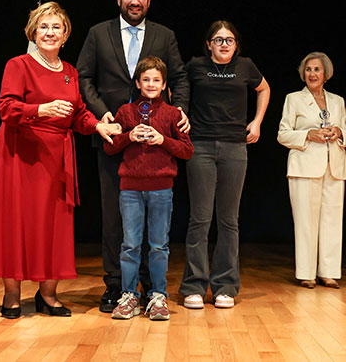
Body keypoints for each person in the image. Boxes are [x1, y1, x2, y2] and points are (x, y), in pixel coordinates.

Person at [0, 1, 121, 319]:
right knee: (16, 222)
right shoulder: (19, 65)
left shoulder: (70, 72)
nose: (50, 32)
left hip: (56, 159)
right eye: (44, 27)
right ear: (33, 32)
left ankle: (48, 295)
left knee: (53, 225)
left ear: (66, 35)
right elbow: (6, 108)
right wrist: (39, 110)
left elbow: (77, 113)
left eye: (57, 27)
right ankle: (12, 295)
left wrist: (98, 125)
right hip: (20, 155)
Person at [77, 0, 190, 312]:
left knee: (153, 223)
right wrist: (102, 115)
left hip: (155, 144)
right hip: (113, 135)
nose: (135, 1)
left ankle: (150, 287)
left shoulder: (164, 35)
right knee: (114, 217)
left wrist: (179, 110)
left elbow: (180, 76)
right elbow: (84, 77)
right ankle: (117, 286)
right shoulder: (98, 33)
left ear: (149, 1)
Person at [179, 20, 270, 309]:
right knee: (200, 219)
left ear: (236, 44)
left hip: (235, 147)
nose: (224, 44)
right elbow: (176, 89)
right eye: (218, 40)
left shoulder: (245, 66)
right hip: (201, 147)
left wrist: (257, 121)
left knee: (229, 220)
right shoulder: (195, 66)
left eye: (229, 40)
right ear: (208, 44)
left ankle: (225, 287)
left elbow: (264, 88)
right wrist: (180, 113)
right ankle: (194, 286)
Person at [104, 56, 193, 321]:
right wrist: (128, 137)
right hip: (130, 189)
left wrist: (163, 140)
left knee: (158, 246)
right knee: (130, 245)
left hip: (161, 189)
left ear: (165, 85)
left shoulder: (173, 114)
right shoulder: (125, 112)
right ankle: (129, 296)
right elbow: (109, 147)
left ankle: (157, 296)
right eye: (146, 80)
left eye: (156, 80)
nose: (151, 84)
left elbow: (187, 150)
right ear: (137, 83)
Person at [277, 52, 344, 289]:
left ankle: (329, 272)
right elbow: (283, 134)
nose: (312, 74)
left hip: (334, 167)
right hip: (304, 167)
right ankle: (306, 273)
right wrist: (308, 134)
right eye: (308, 69)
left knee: (332, 221)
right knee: (306, 222)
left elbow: (345, 130)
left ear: (326, 74)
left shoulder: (338, 101)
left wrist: (340, 132)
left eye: (317, 69)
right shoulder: (294, 99)